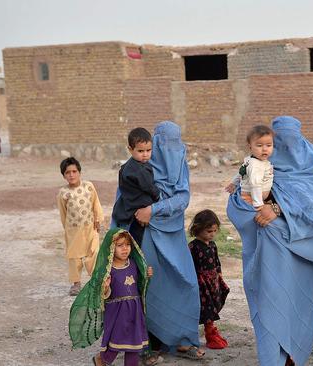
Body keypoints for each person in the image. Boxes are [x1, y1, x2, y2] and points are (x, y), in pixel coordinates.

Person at [227, 116, 313, 366]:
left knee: (297, 310)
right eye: (279, 144)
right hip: (268, 263)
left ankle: (292, 357)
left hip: (303, 262)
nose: (285, 149)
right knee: (269, 311)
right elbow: (237, 207)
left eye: (293, 142)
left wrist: (278, 211)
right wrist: (258, 214)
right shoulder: (259, 168)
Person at [114, 121, 204, 360]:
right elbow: (122, 201)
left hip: (171, 232)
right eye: (165, 144)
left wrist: (154, 210)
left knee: (185, 282)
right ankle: (147, 345)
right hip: (143, 235)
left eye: (176, 144)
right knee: (147, 287)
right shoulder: (137, 167)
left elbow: (183, 197)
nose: (171, 150)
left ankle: (182, 340)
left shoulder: (180, 165)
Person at [68, 229, 158, 366]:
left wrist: (147, 275)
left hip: (135, 311)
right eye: (120, 245)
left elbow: (140, 285)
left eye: (127, 245)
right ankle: (102, 359)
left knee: (133, 345)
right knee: (117, 342)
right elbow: (102, 294)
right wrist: (105, 287)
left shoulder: (134, 264)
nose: (125, 249)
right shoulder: (107, 270)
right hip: (117, 313)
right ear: (111, 247)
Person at [57, 157, 103, 296]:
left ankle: (95, 281)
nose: (71, 175)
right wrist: (68, 229)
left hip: (90, 228)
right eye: (67, 172)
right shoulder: (63, 193)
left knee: (94, 253)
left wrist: (98, 219)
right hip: (73, 231)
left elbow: (96, 203)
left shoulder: (88, 186)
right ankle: (76, 283)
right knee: (74, 257)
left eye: (74, 171)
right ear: (64, 175)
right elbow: (63, 213)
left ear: (79, 172)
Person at [188, 209, 230, 349]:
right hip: (202, 284)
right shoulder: (193, 246)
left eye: (214, 231)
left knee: (215, 304)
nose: (212, 234)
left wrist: (219, 273)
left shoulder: (212, 245)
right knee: (207, 309)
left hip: (213, 282)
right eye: (208, 231)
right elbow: (190, 265)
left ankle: (212, 332)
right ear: (198, 229)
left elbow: (217, 261)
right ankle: (209, 334)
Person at [111, 127, 159, 244]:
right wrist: (158, 196)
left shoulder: (129, 165)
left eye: (148, 150)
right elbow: (149, 187)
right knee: (136, 240)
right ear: (130, 149)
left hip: (128, 205)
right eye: (141, 151)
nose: (145, 155)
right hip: (137, 208)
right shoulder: (139, 170)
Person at [225, 125, 274, 208]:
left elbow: (242, 172)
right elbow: (255, 184)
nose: (265, 149)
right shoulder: (256, 165)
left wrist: (233, 183)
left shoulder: (250, 160)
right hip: (252, 197)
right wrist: (258, 204)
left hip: (251, 194)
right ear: (250, 146)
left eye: (268, 145)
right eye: (259, 145)